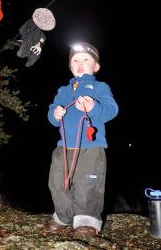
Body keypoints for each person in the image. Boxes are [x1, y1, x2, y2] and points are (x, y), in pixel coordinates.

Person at [47, 42, 119, 237]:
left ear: (96, 66)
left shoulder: (99, 87)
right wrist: (55, 113)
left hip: (91, 147)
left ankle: (87, 220)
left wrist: (93, 107)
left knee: (88, 183)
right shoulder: (63, 91)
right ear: (70, 66)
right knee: (57, 182)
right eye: (75, 60)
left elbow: (111, 111)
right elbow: (52, 114)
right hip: (63, 147)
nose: (80, 63)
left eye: (86, 59)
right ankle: (63, 216)